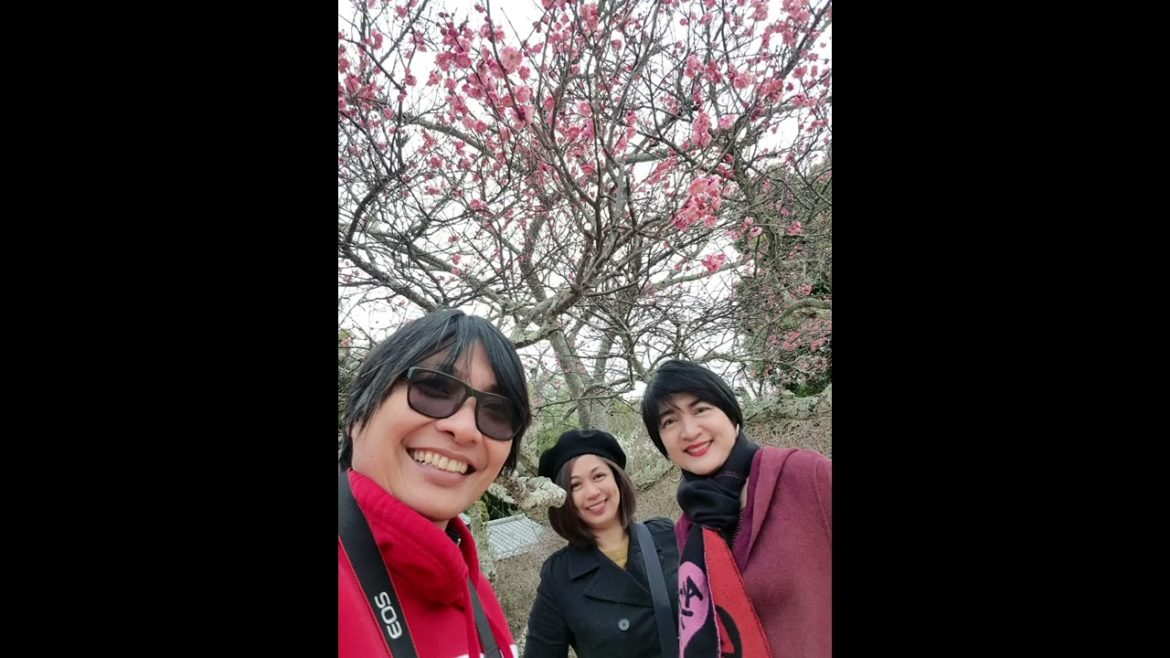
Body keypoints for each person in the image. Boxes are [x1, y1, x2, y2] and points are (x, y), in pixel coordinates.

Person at [338, 309, 531, 658]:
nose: (465, 428)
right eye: (433, 388)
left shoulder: (470, 582)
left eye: (497, 413)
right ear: (357, 413)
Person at [641, 359, 831, 658]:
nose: (689, 430)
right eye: (669, 421)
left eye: (700, 409)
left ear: (731, 415)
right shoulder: (690, 529)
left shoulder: (805, 475)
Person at [524, 429, 680, 658]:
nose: (592, 492)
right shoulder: (559, 577)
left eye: (598, 476)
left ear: (617, 478)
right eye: (575, 485)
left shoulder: (666, 536)